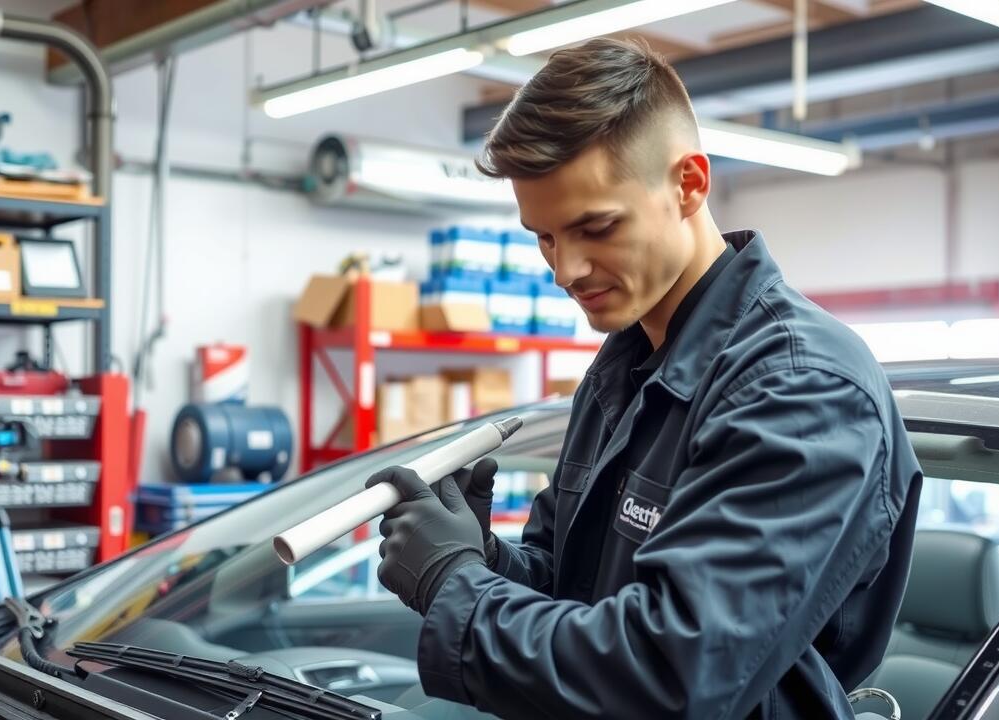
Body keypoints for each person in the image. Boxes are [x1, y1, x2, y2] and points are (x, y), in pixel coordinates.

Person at [366, 37, 924, 719]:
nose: (566, 269)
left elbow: (673, 675)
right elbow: (572, 591)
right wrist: (478, 554)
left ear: (689, 184)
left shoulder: (802, 390)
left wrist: (454, 583)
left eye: (595, 227)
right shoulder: (625, 367)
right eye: (543, 237)